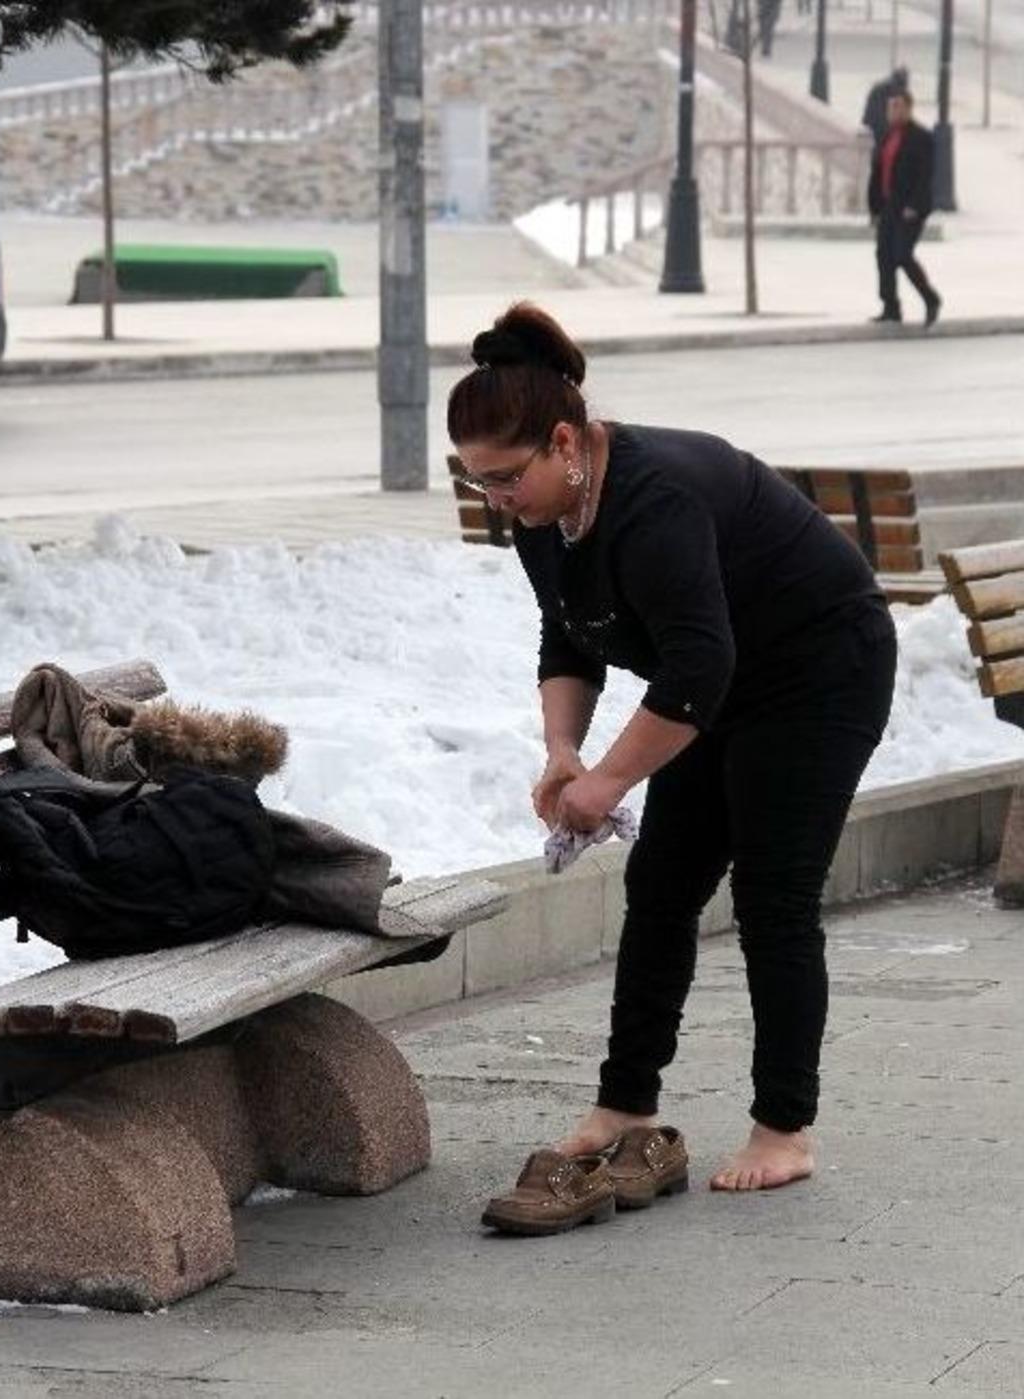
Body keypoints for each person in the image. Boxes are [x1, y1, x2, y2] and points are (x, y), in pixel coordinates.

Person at [448, 302, 897, 1208]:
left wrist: (613, 778)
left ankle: (784, 1128)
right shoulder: (546, 513)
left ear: (564, 441)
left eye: (504, 478)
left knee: (774, 895)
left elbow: (699, 665)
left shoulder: (656, 501)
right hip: (717, 680)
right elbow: (568, 637)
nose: (496, 502)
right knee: (660, 884)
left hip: (817, 669)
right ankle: (624, 1104)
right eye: (474, 482)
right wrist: (565, 752)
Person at [868, 90, 941, 326]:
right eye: (891, 107)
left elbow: (925, 175)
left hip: (910, 207)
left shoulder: (921, 137)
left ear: (909, 109)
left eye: (898, 107)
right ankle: (891, 306)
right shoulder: (887, 136)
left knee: (902, 255)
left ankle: (931, 298)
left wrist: (915, 206)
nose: (893, 111)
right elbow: (878, 174)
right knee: (883, 256)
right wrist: (875, 208)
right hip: (889, 205)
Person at [861, 65, 909, 146]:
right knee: (883, 141)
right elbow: (881, 110)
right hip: (878, 119)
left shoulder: (889, 84)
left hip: (876, 118)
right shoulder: (891, 87)